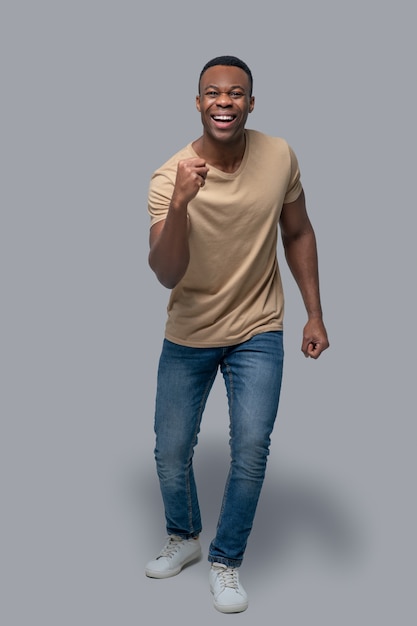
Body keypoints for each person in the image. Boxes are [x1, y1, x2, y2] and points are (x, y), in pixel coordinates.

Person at [145, 55, 329, 613]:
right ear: (198, 104)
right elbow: (166, 272)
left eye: (235, 93)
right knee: (172, 452)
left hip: (258, 328)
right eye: (212, 93)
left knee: (251, 447)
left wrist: (314, 312)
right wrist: (180, 201)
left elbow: (297, 232)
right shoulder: (167, 175)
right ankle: (185, 536)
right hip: (191, 330)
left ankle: (226, 560)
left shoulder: (279, 155)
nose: (223, 101)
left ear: (251, 103)